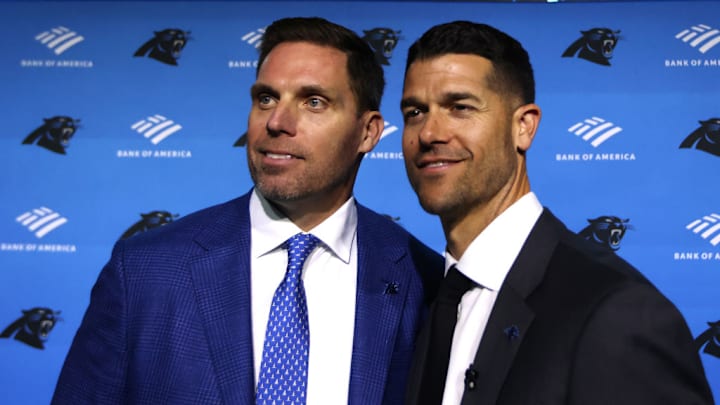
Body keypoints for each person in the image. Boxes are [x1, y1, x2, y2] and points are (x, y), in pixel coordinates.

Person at [51, 17, 443, 405]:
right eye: (266, 98)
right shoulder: (143, 271)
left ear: (368, 133)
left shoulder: (422, 279)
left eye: (313, 102)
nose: (276, 122)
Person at [400, 21, 714, 405]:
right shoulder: (425, 298)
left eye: (460, 108)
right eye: (415, 111)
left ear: (524, 127)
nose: (429, 133)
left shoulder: (617, 313)